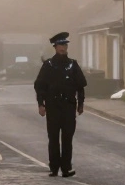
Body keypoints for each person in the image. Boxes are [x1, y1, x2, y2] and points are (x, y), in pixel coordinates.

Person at [34, 32, 87, 177]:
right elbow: (40, 86)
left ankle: (66, 168)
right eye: (60, 45)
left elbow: (80, 86)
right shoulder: (48, 65)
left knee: (67, 138)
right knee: (53, 138)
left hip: (68, 106)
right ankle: (54, 167)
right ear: (55, 47)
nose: (63, 48)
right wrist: (41, 104)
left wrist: (80, 104)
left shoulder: (72, 65)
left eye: (65, 45)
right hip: (53, 106)